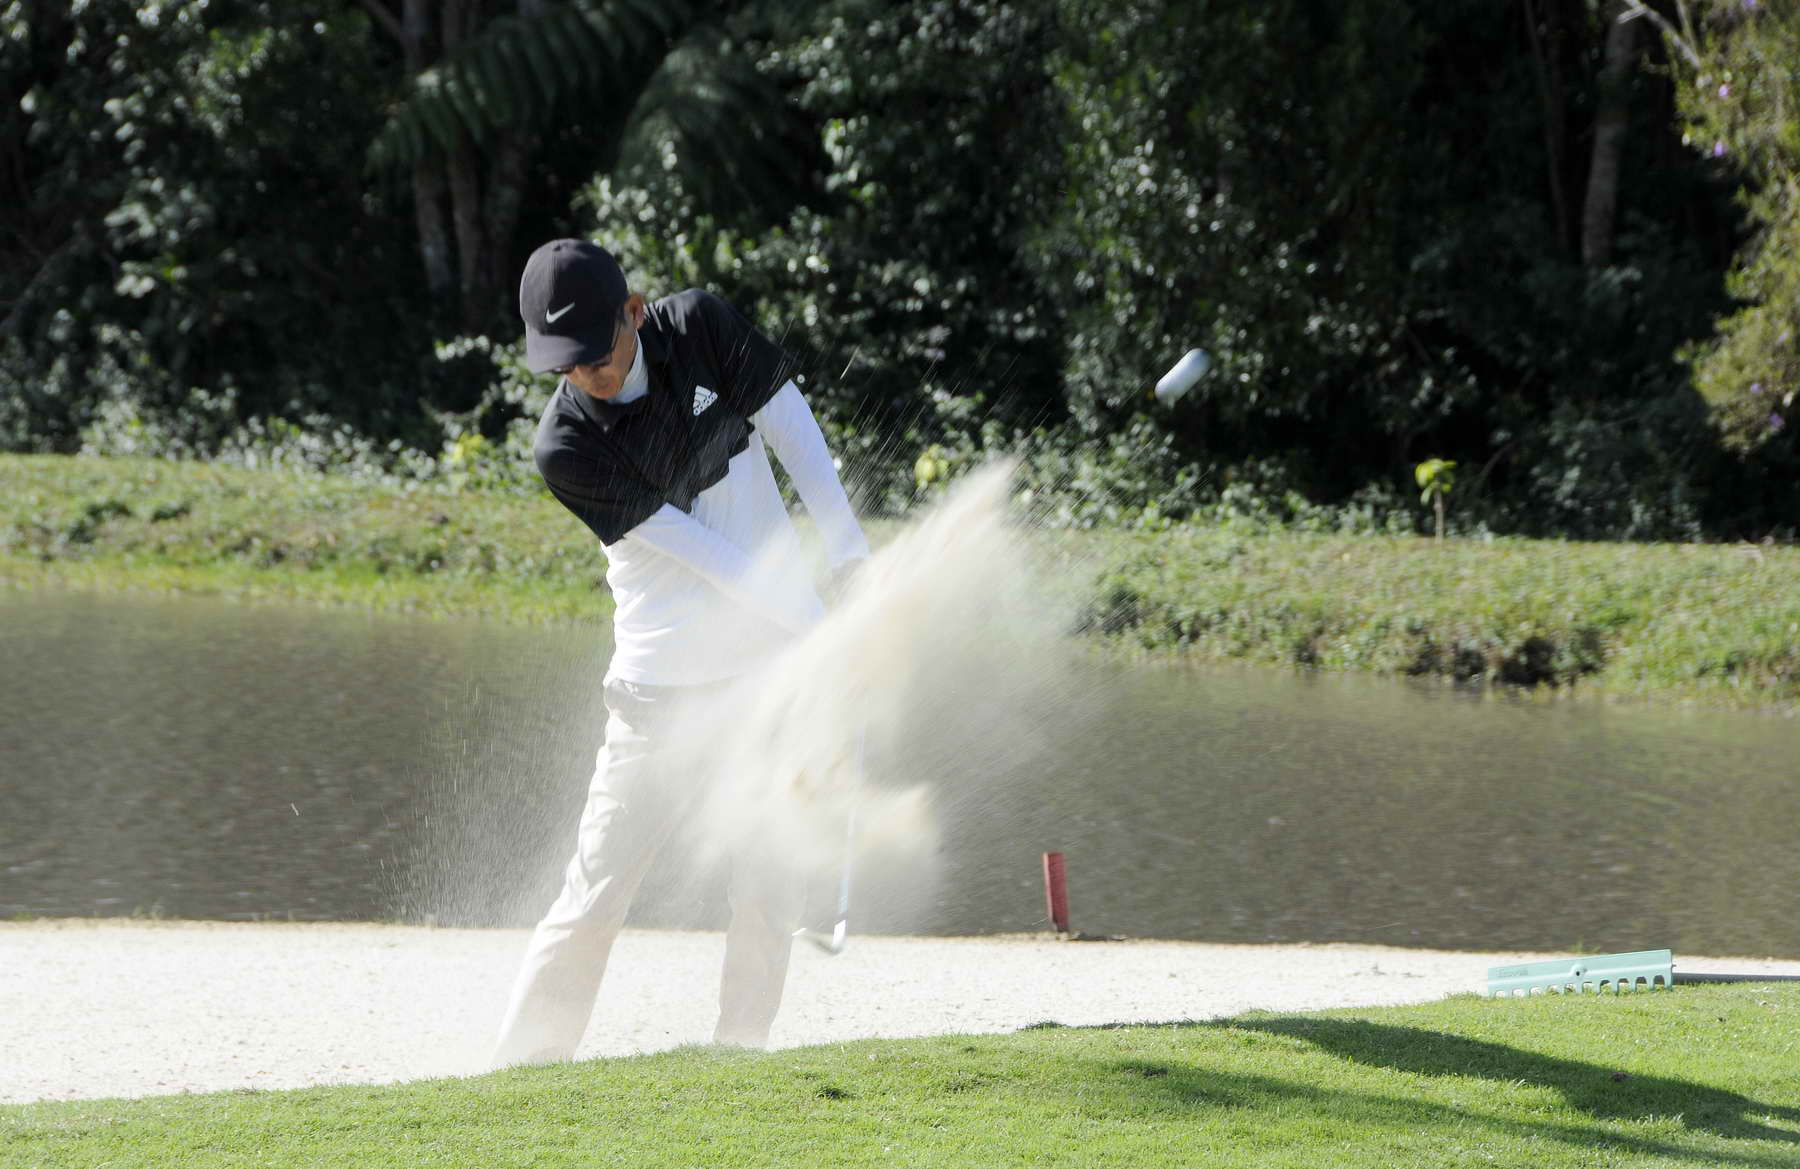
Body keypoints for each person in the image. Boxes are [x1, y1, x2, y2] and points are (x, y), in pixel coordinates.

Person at [490, 239, 868, 1065]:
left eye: (594, 355)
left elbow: (795, 432)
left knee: (768, 888)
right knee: (596, 894)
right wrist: (819, 623)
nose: (583, 375)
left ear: (634, 312)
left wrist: (850, 561)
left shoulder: (700, 327)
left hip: (764, 681)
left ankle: (739, 1061)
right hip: (657, 698)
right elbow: (708, 557)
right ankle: (524, 1068)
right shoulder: (565, 445)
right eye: (564, 364)